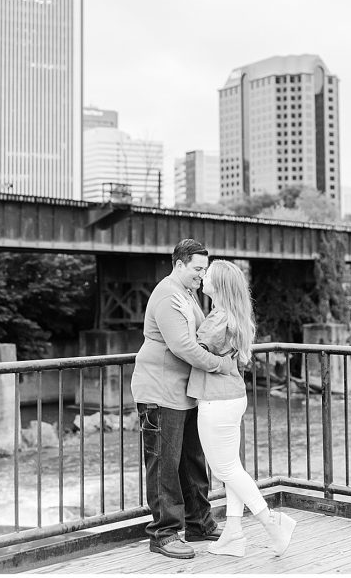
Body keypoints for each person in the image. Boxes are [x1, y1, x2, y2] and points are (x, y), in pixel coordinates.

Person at [172, 259, 297, 557]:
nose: (204, 277)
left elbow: (191, 348)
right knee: (232, 468)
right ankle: (233, 534)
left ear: (220, 285)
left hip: (217, 400)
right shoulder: (231, 315)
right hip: (231, 398)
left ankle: (272, 522)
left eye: (209, 275)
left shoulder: (218, 319)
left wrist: (183, 309)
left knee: (225, 469)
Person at [130, 238, 239, 559]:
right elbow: (184, 346)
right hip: (160, 392)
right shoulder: (167, 295)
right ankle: (163, 534)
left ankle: (199, 523)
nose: (201, 276)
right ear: (179, 264)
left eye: (204, 270)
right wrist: (222, 365)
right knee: (164, 464)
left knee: (192, 461)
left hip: (185, 392)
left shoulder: (187, 294)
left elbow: (201, 336)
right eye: (197, 269)